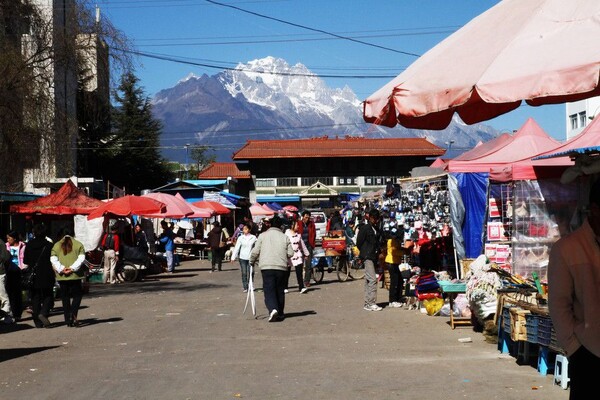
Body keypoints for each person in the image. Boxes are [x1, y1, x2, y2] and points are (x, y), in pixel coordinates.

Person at [548, 179, 600, 399]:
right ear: (596, 209)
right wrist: (575, 349)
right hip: (589, 353)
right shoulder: (567, 249)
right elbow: (558, 305)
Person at [249, 215, 293, 322]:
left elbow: (255, 251)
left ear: (270, 225)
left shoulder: (262, 236)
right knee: (279, 290)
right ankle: (280, 313)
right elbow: (291, 253)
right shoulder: (285, 237)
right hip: (281, 267)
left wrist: (251, 261)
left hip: (266, 267)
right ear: (280, 226)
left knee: (269, 290)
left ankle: (273, 309)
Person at [50, 229, 86, 327]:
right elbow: (81, 258)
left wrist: (62, 269)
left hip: (62, 276)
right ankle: (73, 314)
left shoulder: (56, 245)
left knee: (65, 298)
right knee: (77, 296)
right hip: (75, 275)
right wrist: (72, 268)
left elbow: (53, 259)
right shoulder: (78, 244)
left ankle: (67, 319)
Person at [23, 223, 55, 328]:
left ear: (34, 233)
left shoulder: (29, 245)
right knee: (48, 295)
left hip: (33, 274)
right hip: (47, 273)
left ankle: (37, 321)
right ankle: (44, 313)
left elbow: (25, 260)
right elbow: (53, 260)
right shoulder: (49, 245)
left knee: (35, 297)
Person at [356, 208, 382, 311]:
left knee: (368, 280)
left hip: (373, 256)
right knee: (372, 279)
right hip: (367, 256)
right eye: (374, 218)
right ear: (370, 218)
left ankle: (367, 303)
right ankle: (371, 302)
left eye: (377, 219)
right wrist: (364, 253)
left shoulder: (376, 229)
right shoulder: (365, 229)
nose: (375, 221)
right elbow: (359, 242)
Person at [382, 222, 405, 308]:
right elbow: (394, 251)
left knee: (399, 280)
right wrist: (404, 252)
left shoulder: (395, 241)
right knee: (394, 282)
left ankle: (398, 298)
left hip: (394, 262)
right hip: (391, 262)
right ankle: (392, 300)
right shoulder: (391, 241)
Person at [231, 223, 257, 292]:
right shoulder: (240, 238)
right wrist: (233, 257)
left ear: (249, 229)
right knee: (244, 272)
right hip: (242, 257)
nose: (244, 230)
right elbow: (237, 248)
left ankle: (251, 285)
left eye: (246, 229)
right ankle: (245, 287)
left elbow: (257, 247)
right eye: (243, 229)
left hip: (251, 257)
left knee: (251, 272)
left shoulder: (253, 238)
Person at [6, 231, 26, 321]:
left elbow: (24, 258)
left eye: (9, 238)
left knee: (17, 293)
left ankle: (17, 313)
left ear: (14, 238)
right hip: (9, 271)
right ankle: (11, 313)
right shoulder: (6, 246)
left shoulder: (22, 246)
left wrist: (23, 267)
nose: (8, 240)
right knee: (9, 292)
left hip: (19, 271)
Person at [285, 220, 309, 293]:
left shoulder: (298, 235)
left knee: (299, 272)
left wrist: (306, 254)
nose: (298, 226)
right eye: (296, 225)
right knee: (287, 273)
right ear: (292, 225)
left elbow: (302, 245)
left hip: (298, 255)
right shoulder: (286, 235)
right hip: (289, 255)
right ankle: (285, 287)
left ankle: (301, 287)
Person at [297, 210, 316, 293]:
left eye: (308, 217)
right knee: (300, 266)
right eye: (305, 217)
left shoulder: (312, 224)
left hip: (308, 246)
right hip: (300, 246)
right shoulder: (299, 223)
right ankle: (300, 282)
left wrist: (312, 245)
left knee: (308, 265)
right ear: (302, 217)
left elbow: (314, 234)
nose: (307, 219)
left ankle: (307, 281)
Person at [0, 238, 14, 324]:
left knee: (2, 295)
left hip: (0, 272)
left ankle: (8, 315)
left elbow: (5, 256)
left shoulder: (0, 243)